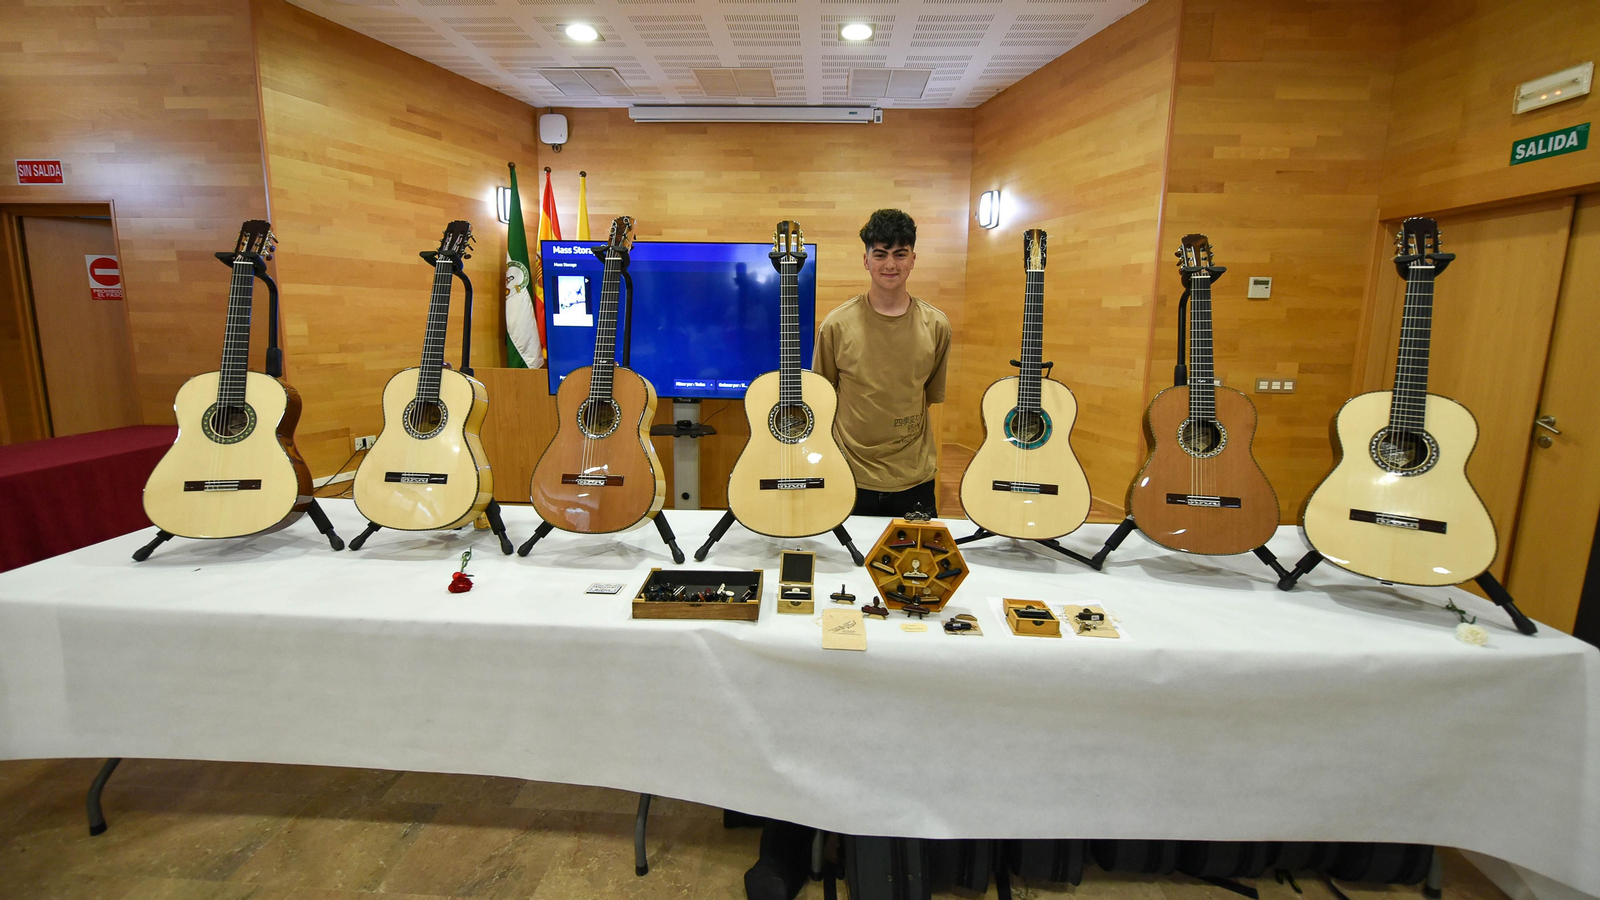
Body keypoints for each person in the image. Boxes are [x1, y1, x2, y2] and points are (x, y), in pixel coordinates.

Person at [814, 208, 951, 517]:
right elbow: (822, 395)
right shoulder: (836, 325)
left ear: (913, 259)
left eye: (900, 254)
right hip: (848, 474)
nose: (890, 264)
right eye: (880, 254)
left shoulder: (937, 326)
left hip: (914, 478)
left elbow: (927, 396)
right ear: (866, 260)